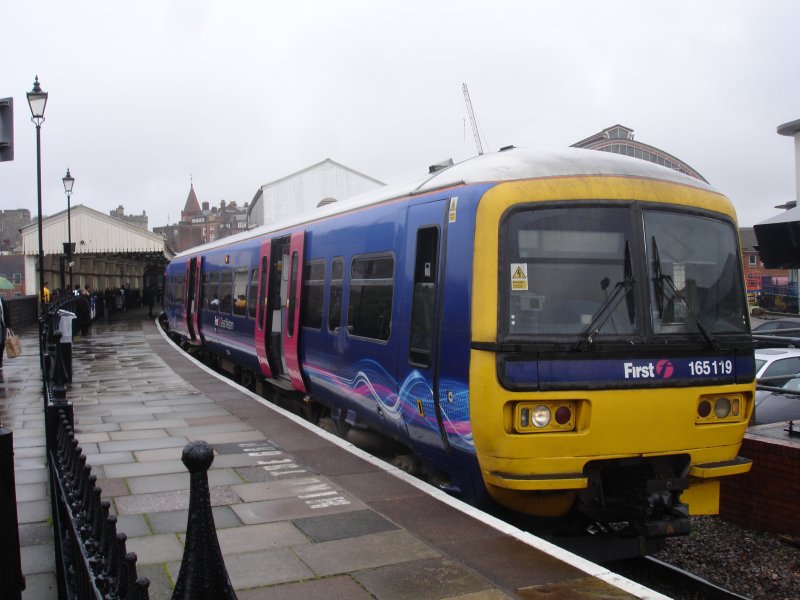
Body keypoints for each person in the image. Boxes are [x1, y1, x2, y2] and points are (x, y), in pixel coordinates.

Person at [0, 295, 8, 368]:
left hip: (1, 325)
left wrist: (7, 323)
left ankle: (0, 360)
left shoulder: (1, 300)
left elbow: (5, 311)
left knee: (2, 343)